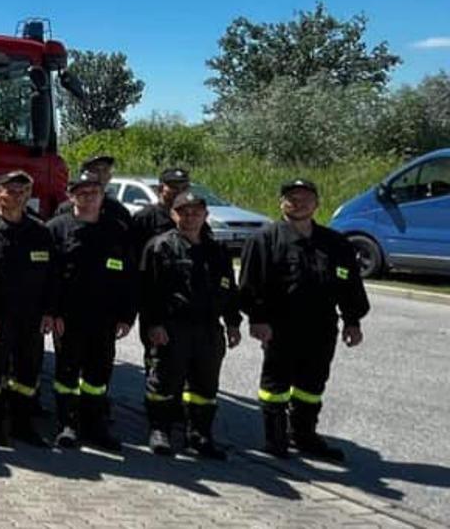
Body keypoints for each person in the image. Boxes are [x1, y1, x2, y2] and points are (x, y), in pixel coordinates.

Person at [240, 178, 369, 462]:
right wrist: (257, 319)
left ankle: (304, 435)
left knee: (312, 385)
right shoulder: (264, 239)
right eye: (292, 198)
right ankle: (275, 439)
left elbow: (349, 285)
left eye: (306, 198)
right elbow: (251, 284)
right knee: (276, 385)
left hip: (322, 328)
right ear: (281, 203)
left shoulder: (335, 243)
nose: (299, 203)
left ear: (317, 203)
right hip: (279, 327)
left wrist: (352, 321)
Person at [140, 191, 242, 459]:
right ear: (174, 215)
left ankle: (199, 436)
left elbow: (229, 289)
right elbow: (147, 291)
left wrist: (233, 323)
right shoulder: (160, 246)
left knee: (205, 387)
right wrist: (153, 325)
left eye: (196, 212)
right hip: (173, 327)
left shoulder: (217, 251)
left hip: (209, 329)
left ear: (206, 216)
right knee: (164, 382)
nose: (190, 217)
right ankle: (159, 431)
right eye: (184, 212)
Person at [45, 170, 137, 451]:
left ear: (102, 196)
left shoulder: (117, 229)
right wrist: (53, 312)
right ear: (71, 196)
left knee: (98, 375)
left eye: (94, 193)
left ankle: (94, 426)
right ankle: (67, 425)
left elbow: (129, 276)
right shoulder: (56, 228)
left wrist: (126, 315)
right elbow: (48, 276)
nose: (88, 198)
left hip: (105, 318)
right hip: (69, 317)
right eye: (82, 193)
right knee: (68, 374)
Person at [0, 170, 59, 447]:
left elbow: (51, 277)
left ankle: (23, 424)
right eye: (12, 190)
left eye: (24, 191)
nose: (18, 196)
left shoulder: (40, 232)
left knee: (27, 374)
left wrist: (48, 311)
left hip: (31, 318)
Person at [131, 168, 191, 255]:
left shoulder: (193, 218)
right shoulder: (146, 216)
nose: (180, 192)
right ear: (160, 188)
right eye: (174, 187)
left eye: (184, 188)